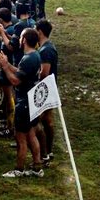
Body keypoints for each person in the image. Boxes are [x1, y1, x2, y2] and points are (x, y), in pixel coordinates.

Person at [0, 28, 45, 178]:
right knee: (31, 134)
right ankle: (37, 167)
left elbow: (16, 81)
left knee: (21, 138)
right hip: (33, 101)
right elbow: (20, 72)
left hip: (24, 103)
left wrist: (3, 67)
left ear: (24, 40)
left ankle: (19, 169)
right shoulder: (34, 56)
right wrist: (7, 63)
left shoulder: (28, 59)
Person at [34, 19, 58, 161]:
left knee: (44, 120)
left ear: (40, 32)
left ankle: (46, 151)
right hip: (48, 88)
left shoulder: (45, 50)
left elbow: (44, 73)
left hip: (46, 89)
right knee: (46, 120)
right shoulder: (47, 47)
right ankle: (47, 149)